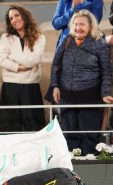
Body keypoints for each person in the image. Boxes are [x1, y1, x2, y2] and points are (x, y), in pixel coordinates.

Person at [51, 10, 113, 155]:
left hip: (90, 98)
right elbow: (56, 65)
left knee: (90, 136)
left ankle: (89, 170)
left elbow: (106, 71)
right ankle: (72, 172)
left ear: (90, 26)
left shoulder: (99, 43)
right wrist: (55, 86)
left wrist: (105, 93)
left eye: (82, 24)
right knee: (70, 135)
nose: (78, 28)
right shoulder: (67, 40)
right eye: (76, 24)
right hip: (67, 98)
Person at [0, 5, 46, 133]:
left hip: (31, 86)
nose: (14, 20)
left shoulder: (39, 37)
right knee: (9, 128)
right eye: (11, 18)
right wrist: (17, 67)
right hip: (10, 87)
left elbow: (34, 59)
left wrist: (11, 56)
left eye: (17, 15)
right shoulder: (6, 37)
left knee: (34, 128)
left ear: (25, 16)